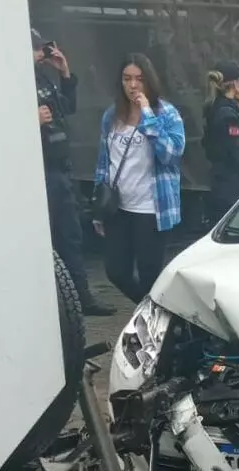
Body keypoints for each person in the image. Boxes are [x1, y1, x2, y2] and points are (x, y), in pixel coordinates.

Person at [32, 29, 114, 316]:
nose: (43, 55)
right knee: (42, 239)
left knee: (70, 236)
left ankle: (81, 298)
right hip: (35, 173)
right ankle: (47, 302)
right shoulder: (9, 80)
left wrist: (65, 74)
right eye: (39, 51)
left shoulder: (43, 80)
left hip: (58, 169)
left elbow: (68, 107)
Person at [92, 53, 186, 305]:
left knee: (150, 275)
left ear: (149, 82)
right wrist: (98, 206)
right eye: (127, 79)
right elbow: (104, 162)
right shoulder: (112, 115)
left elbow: (171, 154)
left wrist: (147, 116)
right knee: (116, 270)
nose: (132, 85)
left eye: (139, 79)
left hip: (151, 208)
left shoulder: (167, 114)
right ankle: (152, 312)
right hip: (119, 207)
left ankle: (154, 322)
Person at [201, 61, 239, 223]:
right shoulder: (226, 113)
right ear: (236, 83)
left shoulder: (218, 107)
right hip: (231, 185)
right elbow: (235, 150)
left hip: (225, 182)